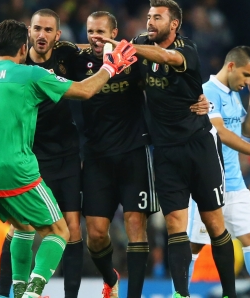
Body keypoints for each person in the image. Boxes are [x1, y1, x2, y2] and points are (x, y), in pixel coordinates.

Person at [0, 20, 137, 298]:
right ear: (24, 48)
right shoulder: (29, 74)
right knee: (59, 231)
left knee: (21, 226)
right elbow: (84, 91)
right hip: (16, 169)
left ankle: (15, 292)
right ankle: (35, 289)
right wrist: (110, 67)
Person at [95, 1, 233, 297]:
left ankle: (230, 293)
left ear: (174, 24)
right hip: (166, 151)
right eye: (148, 16)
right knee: (174, 224)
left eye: (157, 17)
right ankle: (180, 293)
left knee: (214, 223)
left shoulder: (187, 50)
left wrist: (127, 48)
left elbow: (165, 57)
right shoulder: (139, 44)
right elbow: (101, 48)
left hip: (199, 146)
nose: (150, 22)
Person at [186, 46, 250, 298]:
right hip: (207, 182)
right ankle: (179, 293)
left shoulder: (235, 93)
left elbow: (247, 131)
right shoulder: (207, 92)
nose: (247, 81)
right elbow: (221, 132)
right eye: (246, 75)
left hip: (235, 184)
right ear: (231, 66)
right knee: (194, 245)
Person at [74, 11, 157, 298]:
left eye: (101, 32)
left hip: (133, 151)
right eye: (90, 32)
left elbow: (161, 73)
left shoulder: (133, 61)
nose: (96, 38)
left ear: (115, 31)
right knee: (95, 235)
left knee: (136, 224)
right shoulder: (77, 62)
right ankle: (110, 277)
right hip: (96, 157)